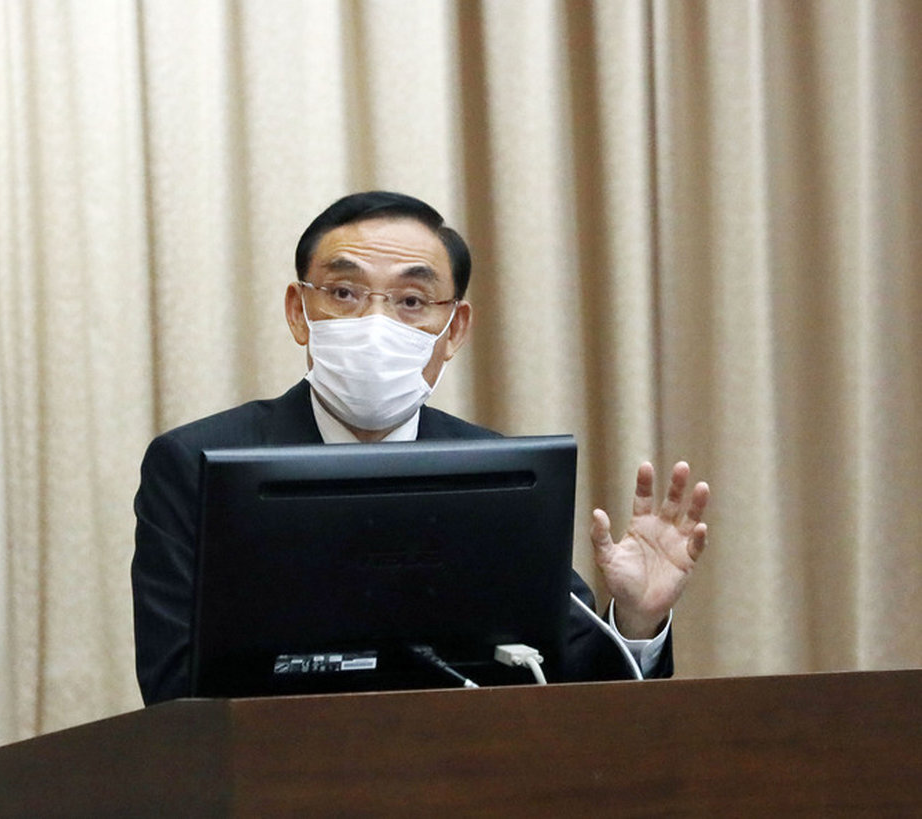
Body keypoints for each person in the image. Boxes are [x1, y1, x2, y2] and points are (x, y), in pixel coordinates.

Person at [132, 191, 710, 706]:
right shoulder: (193, 463)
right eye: (344, 292)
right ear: (298, 312)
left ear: (453, 330)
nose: (375, 322)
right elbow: (175, 687)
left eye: (411, 301)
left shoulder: (500, 477)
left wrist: (637, 620)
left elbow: (567, 683)